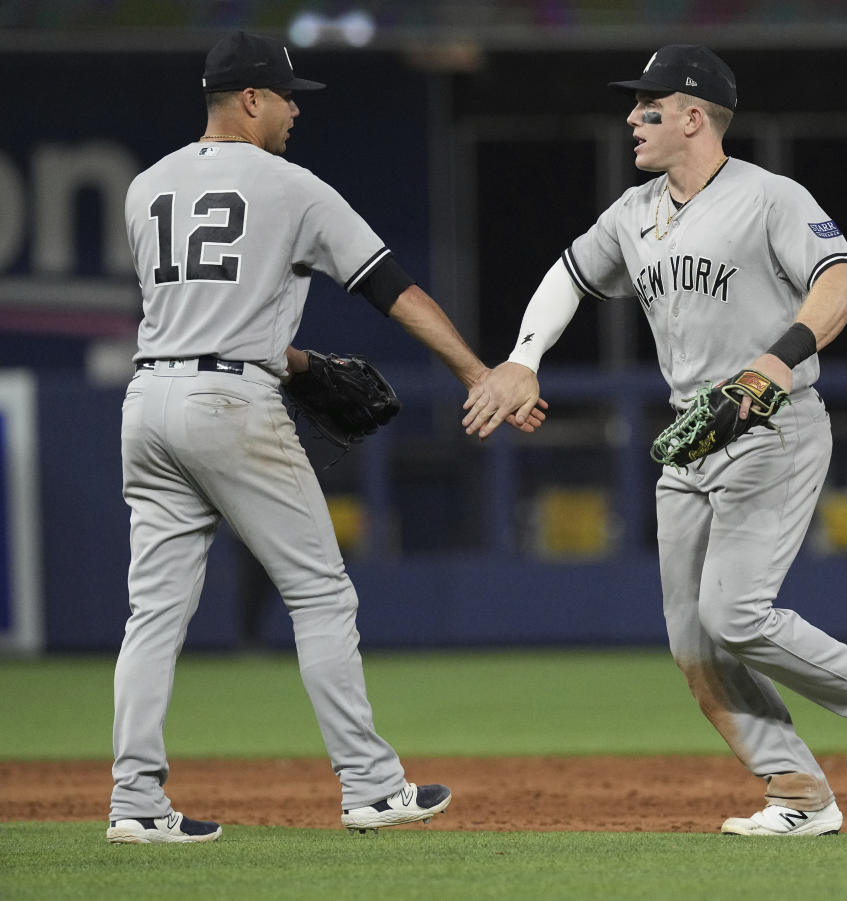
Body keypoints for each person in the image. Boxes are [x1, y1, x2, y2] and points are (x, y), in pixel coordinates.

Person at [463, 44, 847, 836]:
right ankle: (799, 794)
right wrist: (522, 358)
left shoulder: (769, 197)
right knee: (695, 645)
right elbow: (569, 274)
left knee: (735, 612)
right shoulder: (634, 211)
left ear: (692, 116)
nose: (630, 117)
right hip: (691, 440)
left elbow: (841, 285)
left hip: (770, 427)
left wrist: (777, 361)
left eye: (647, 105)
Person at [108, 31, 543, 844]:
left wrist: (297, 359)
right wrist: (477, 373)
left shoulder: (144, 187)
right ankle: (373, 787)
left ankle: (133, 801)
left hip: (148, 399)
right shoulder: (291, 186)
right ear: (247, 100)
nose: (295, 107)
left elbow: (199, 315)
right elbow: (392, 289)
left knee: (153, 613)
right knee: (320, 593)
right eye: (283, 94)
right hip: (230, 403)